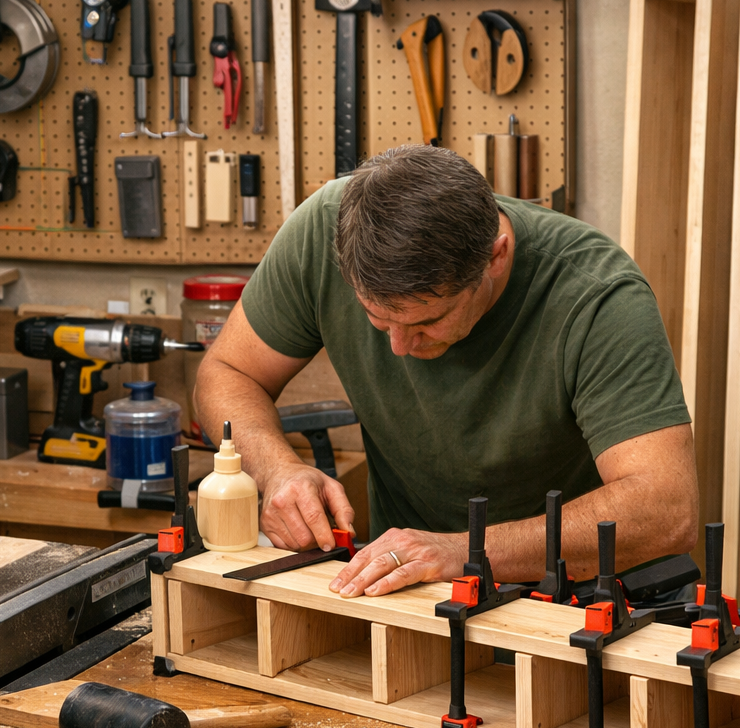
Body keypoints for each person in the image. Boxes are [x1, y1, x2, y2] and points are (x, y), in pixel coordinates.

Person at [195, 145, 698, 598]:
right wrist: (276, 467)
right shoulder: (324, 229)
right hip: (414, 592)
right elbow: (227, 371)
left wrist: (467, 551)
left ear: (496, 257)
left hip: (585, 597)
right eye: (376, 319)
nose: (397, 347)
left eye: (427, 322)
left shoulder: (597, 294)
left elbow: (665, 509)